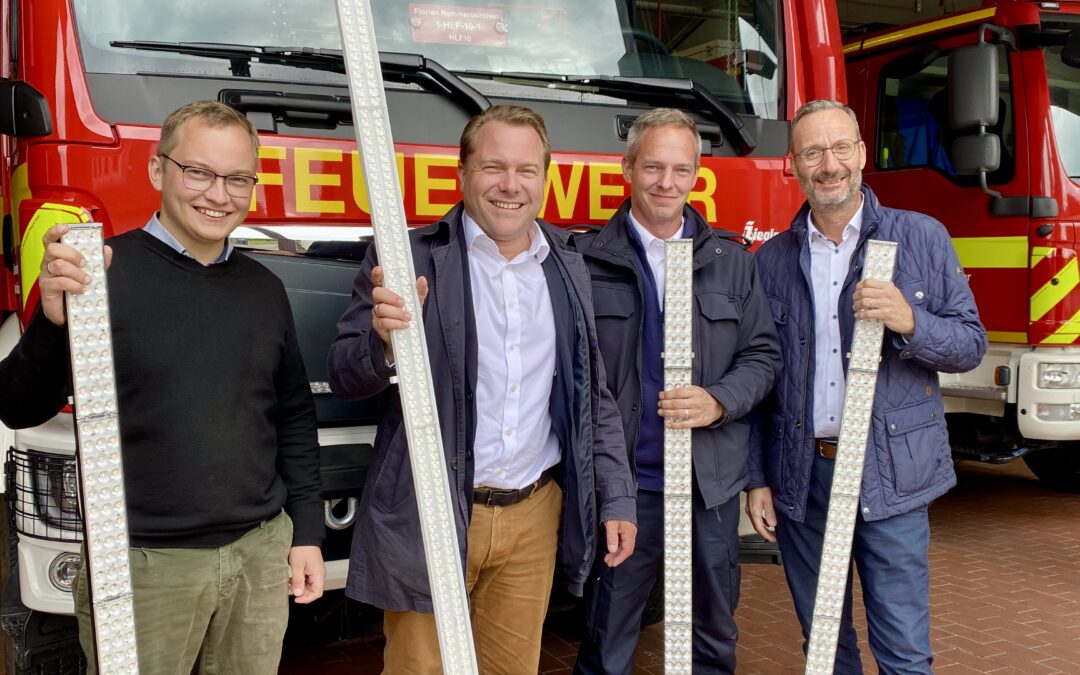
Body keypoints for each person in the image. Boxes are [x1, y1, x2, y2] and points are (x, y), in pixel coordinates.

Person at [327, 104, 637, 674]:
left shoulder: (568, 264)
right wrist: (386, 342)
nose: (510, 185)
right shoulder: (406, 259)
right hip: (433, 514)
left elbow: (594, 395)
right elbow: (346, 373)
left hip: (534, 515)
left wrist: (616, 496)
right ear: (462, 173)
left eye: (526, 170)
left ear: (546, 179)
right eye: (493, 166)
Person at [23, 100, 325, 674]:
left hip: (259, 556)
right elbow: (20, 404)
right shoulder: (101, 276)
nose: (219, 194)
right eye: (199, 172)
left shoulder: (265, 288)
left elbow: (291, 415)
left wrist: (306, 532)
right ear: (159, 171)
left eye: (238, 179)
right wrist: (50, 322)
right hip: (142, 565)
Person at [746, 99, 987, 674]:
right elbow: (762, 379)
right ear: (794, 165)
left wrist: (911, 320)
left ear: (860, 153)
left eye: (839, 148)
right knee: (825, 646)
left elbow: (970, 344)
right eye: (812, 152)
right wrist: (757, 478)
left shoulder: (920, 237)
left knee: (903, 650)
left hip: (892, 474)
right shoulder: (771, 260)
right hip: (803, 479)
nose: (828, 164)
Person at [572, 108, 780, 674]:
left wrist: (719, 401)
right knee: (607, 636)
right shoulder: (583, 262)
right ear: (627, 168)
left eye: (681, 170)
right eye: (654, 167)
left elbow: (764, 355)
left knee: (713, 636)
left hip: (706, 487)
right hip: (627, 489)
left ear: (696, 176)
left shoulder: (731, 262)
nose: (667, 183)